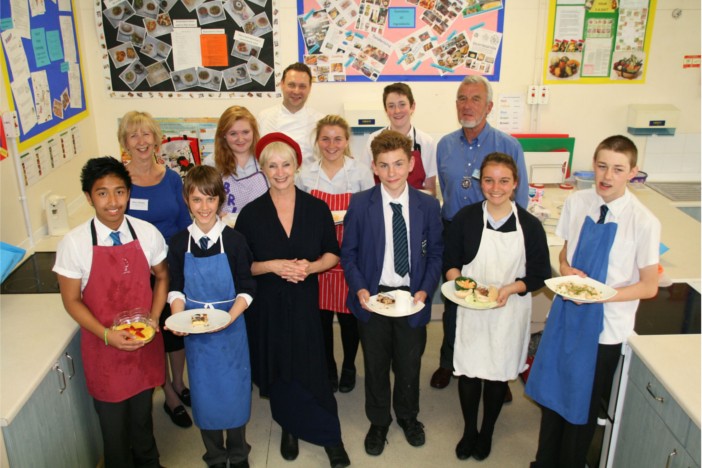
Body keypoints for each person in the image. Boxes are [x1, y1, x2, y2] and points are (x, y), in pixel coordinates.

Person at [525, 135, 661, 467]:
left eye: (618, 169)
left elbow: (649, 286)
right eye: (601, 166)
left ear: (633, 172)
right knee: (554, 396)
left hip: (605, 330)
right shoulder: (579, 202)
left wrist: (605, 295)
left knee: (582, 408)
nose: (607, 176)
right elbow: (567, 254)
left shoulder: (643, 222)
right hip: (567, 317)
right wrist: (568, 269)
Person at [235, 133, 351, 468]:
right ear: (263, 169)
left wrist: (311, 267)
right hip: (268, 305)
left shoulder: (316, 208)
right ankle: (289, 426)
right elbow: (244, 267)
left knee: (312, 368)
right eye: (272, 165)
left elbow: (332, 253)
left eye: (286, 163)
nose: (280, 171)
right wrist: (271, 265)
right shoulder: (251, 214)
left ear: (297, 166)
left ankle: (331, 436)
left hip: (304, 302)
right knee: (281, 369)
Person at [53, 156, 168, 468]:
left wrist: (154, 317)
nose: (113, 201)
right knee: (113, 429)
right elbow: (72, 300)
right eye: (102, 193)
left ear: (129, 194)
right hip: (103, 348)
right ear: (89, 198)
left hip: (144, 344)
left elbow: (162, 276)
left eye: (120, 191)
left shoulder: (146, 233)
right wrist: (107, 334)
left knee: (144, 418)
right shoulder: (74, 244)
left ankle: (149, 462)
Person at [341, 130, 443, 456]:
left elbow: (437, 254)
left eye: (399, 164)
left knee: (409, 363)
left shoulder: (427, 206)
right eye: (384, 166)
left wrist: (425, 292)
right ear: (374, 167)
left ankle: (408, 417)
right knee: (375, 363)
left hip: (413, 298)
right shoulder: (360, 204)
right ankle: (379, 420)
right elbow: (349, 254)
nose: (392, 172)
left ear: (411, 163)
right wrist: (359, 288)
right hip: (374, 298)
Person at [444, 153, 551, 461]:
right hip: (471, 307)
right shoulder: (465, 218)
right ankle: (469, 430)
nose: (495, 187)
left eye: (504, 181)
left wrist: (509, 289)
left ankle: (487, 431)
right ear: (481, 183)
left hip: (509, 309)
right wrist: (464, 287)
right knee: (470, 372)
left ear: (515, 184)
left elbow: (539, 274)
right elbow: (450, 264)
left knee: (496, 374)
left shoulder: (529, 226)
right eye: (489, 180)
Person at [431, 75, 530, 392]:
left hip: (493, 233)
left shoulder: (508, 145)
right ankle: (450, 361)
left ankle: (494, 374)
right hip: (454, 233)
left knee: (492, 299)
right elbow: (444, 191)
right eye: (462, 98)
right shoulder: (445, 145)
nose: (467, 105)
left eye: (475, 99)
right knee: (455, 300)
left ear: (489, 106)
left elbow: (522, 199)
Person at [166, 166, 255, 468]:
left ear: (220, 200)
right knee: (204, 395)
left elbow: (247, 288)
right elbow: (175, 287)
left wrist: (229, 317)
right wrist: (177, 319)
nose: (204, 208)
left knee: (235, 392)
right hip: (196, 333)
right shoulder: (179, 244)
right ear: (186, 201)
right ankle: (215, 454)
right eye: (196, 200)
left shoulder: (234, 241)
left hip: (231, 330)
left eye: (210, 199)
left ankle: (239, 452)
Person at [119, 110, 193, 429]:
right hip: (136, 271)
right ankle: (169, 395)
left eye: (146, 134)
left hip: (171, 263)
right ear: (124, 142)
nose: (141, 141)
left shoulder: (172, 177)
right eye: (134, 135)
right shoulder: (119, 181)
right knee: (153, 332)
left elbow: (183, 222)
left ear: (157, 138)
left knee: (175, 328)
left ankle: (179, 382)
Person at [296, 114, 374, 394]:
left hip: (352, 252)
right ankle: (328, 366)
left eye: (337, 138)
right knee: (322, 318)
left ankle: (350, 365)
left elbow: (370, 213)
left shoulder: (361, 172)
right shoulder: (305, 173)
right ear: (318, 141)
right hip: (318, 255)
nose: (331, 144)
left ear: (346, 141)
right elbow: (299, 214)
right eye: (326, 138)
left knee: (350, 316)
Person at [363, 82, 438, 195]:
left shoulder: (426, 142)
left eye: (402, 104)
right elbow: (365, 183)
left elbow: (431, 189)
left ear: (412, 106)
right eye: (391, 106)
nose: (397, 111)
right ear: (386, 110)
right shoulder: (373, 140)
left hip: (414, 207)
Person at [204, 105, 268, 217]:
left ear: (254, 131)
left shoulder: (266, 159)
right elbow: (203, 200)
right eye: (233, 133)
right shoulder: (211, 163)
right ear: (223, 135)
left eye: (245, 132)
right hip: (225, 229)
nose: (240, 139)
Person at [257, 62, 324, 165]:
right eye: (291, 85)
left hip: (309, 180)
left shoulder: (320, 121)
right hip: (271, 180)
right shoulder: (264, 117)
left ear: (310, 88)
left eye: (302, 86)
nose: (296, 91)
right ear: (282, 84)